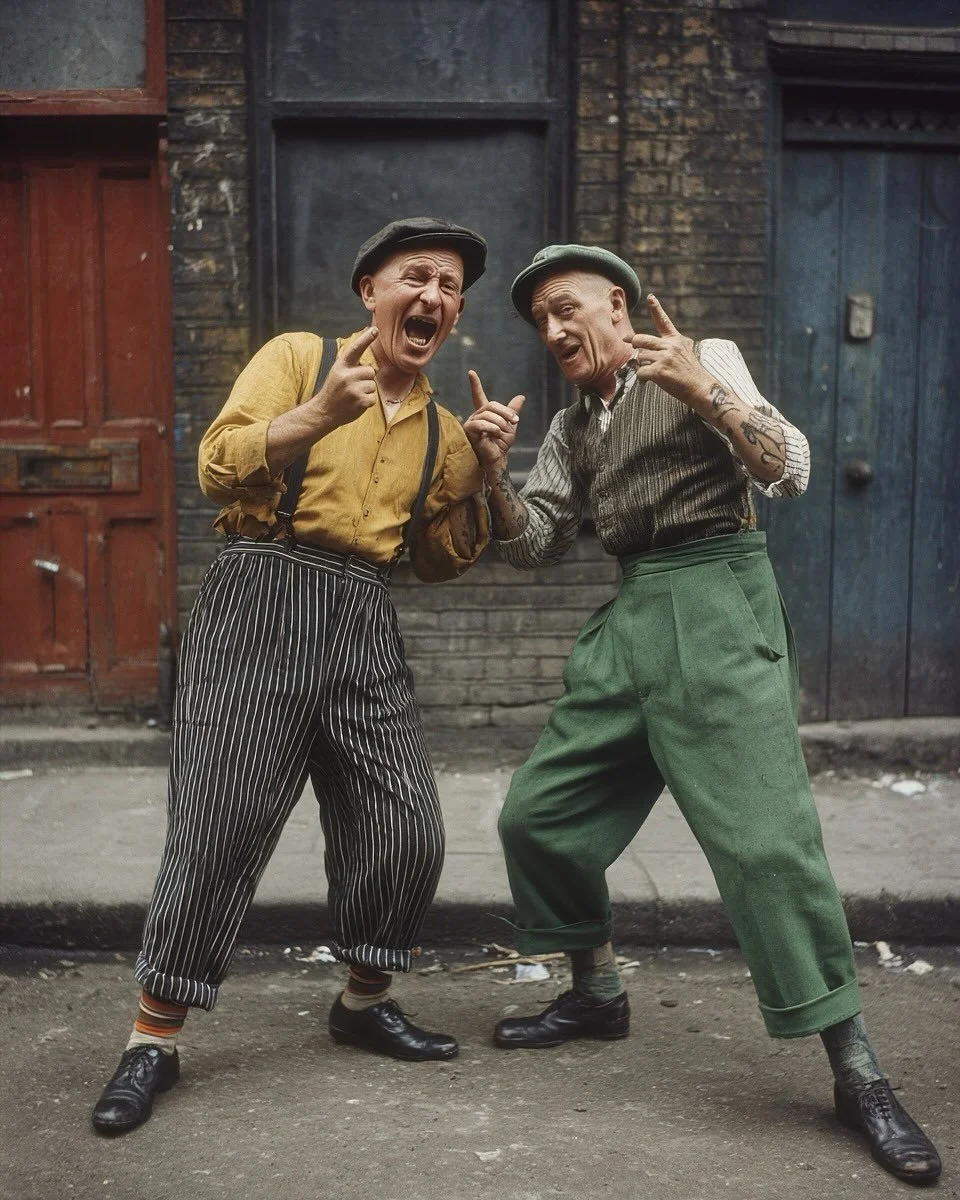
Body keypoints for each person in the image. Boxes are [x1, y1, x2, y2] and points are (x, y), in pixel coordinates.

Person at [462, 243, 941, 1186]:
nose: (554, 330)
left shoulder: (701, 356)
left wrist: (705, 394)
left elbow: (791, 468)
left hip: (719, 606)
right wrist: (489, 476)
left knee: (768, 848)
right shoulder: (569, 429)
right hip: (632, 618)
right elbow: (534, 548)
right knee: (537, 819)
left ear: (620, 301)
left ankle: (859, 1074)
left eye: (567, 308)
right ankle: (595, 993)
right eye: (541, 321)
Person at [92, 217, 491, 1136]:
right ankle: (153, 1039)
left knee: (408, 826)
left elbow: (436, 560)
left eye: (449, 287)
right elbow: (212, 467)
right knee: (220, 821)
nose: (432, 296)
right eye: (415, 276)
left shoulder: (444, 428)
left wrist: (481, 482)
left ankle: (360, 1002)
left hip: (362, 615)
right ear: (371, 290)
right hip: (260, 590)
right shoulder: (297, 358)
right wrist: (318, 416)